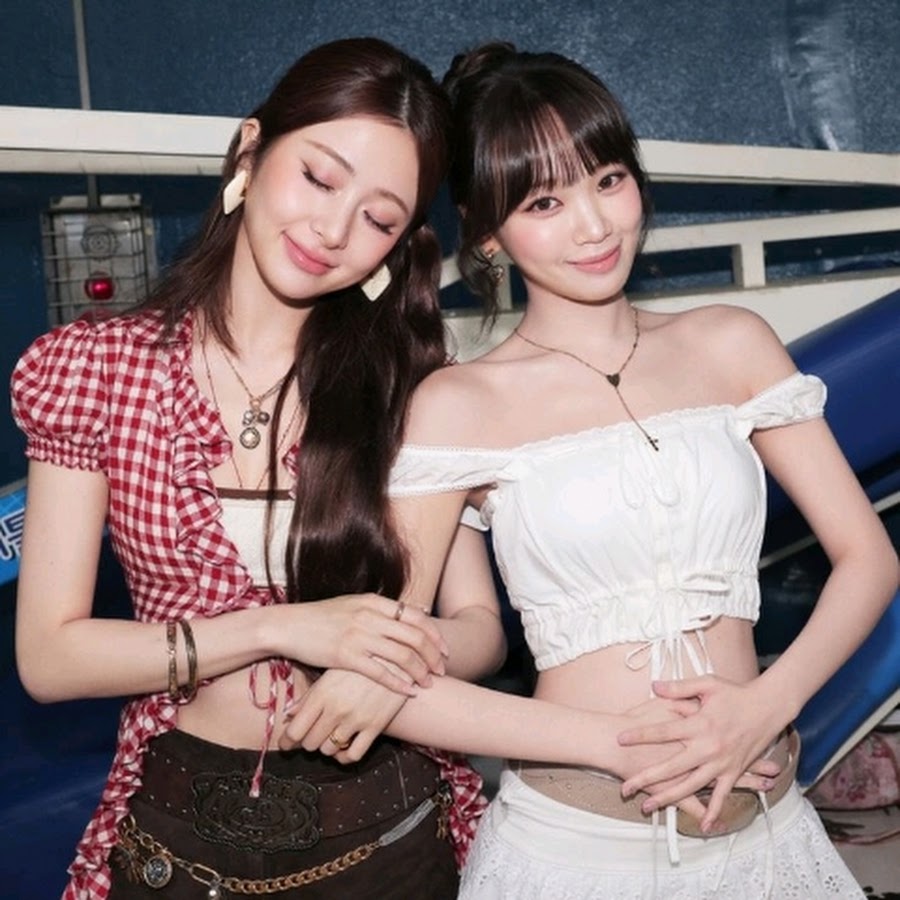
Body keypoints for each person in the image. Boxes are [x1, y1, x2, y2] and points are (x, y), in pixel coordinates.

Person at [351, 42, 895, 898]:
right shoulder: (457, 405)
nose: (595, 225)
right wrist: (616, 745)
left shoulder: (733, 344)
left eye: (608, 180)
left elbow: (869, 556)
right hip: (574, 854)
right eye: (545, 201)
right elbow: (394, 682)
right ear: (487, 234)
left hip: (768, 835)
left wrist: (765, 706)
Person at [11, 37, 509, 899]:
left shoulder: (411, 386)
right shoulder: (98, 369)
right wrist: (280, 628)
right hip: (180, 837)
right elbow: (50, 657)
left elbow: (480, 627)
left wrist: (379, 663)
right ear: (250, 150)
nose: (333, 231)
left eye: (379, 219)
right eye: (318, 178)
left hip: (389, 834)